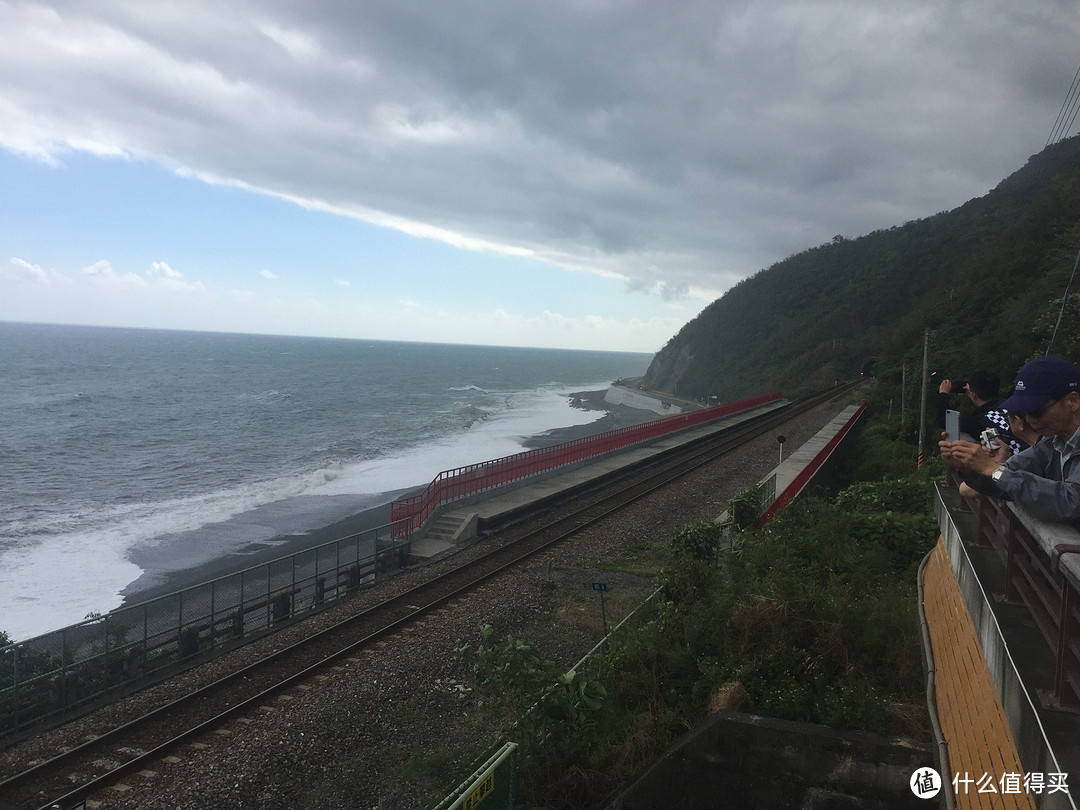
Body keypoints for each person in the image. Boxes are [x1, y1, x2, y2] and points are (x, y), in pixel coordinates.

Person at [940, 357, 1080, 525]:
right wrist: (968, 466)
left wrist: (993, 470)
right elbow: (1009, 475)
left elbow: (1071, 502)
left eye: (1035, 411)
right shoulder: (1052, 443)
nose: (1029, 420)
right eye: (1024, 412)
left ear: (1072, 401)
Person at [937, 369, 1025, 454]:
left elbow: (943, 421)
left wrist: (943, 394)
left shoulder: (978, 420)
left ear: (973, 395)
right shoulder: (1013, 406)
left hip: (1011, 463)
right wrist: (973, 394)